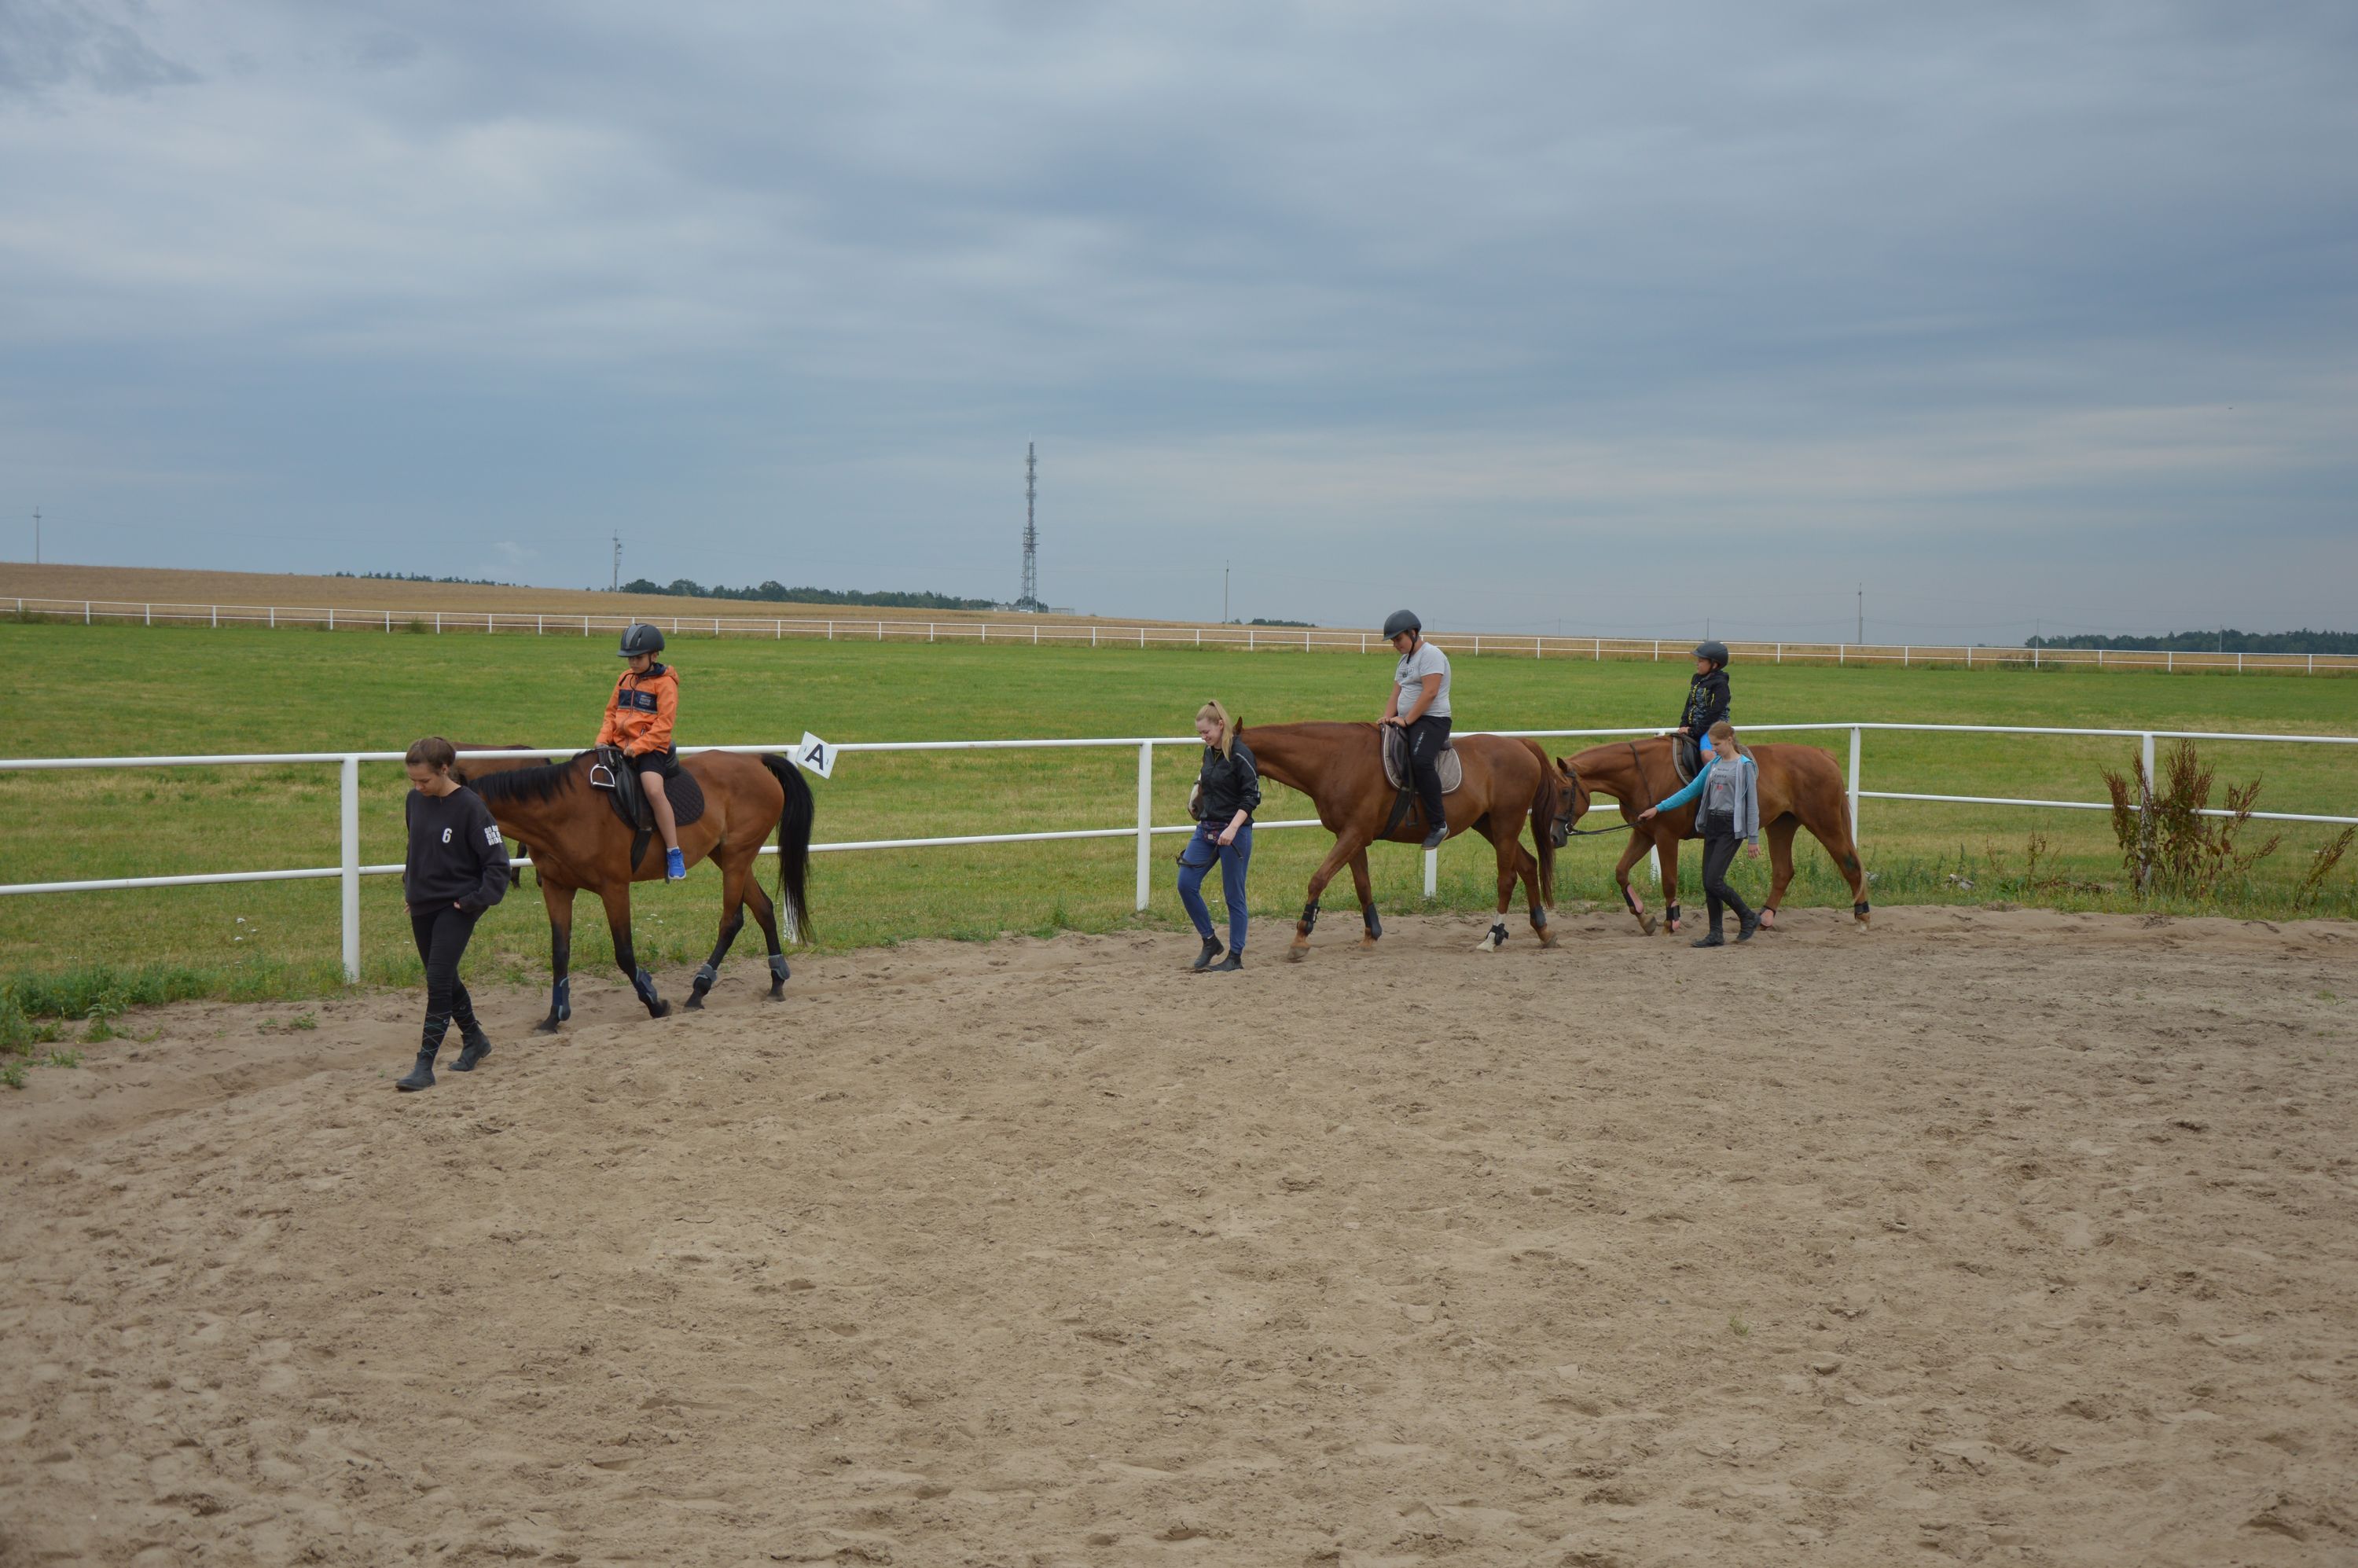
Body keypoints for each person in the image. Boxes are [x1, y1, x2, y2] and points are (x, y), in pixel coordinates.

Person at [395, 736, 510, 1092]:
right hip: (423, 902)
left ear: (444, 769)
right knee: (442, 976)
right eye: (413, 780)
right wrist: (412, 888)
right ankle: (475, 1039)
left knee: (437, 979)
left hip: (458, 905)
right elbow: (417, 848)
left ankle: (424, 1065)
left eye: (424, 780)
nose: (418, 787)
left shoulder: (471, 808)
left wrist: (474, 900)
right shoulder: (415, 801)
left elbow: (498, 865)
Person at [1638, 720, 1760, 948]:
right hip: (1712, 824)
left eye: (1717, 744)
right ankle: (1716, 933)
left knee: (1714, 881)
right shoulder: (1713, 764)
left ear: (1730, 740)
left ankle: (1748, 916)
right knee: (1708, 882)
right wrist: (1658, 808)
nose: (1714, 749)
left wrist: (1753, 839)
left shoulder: (1745, 766)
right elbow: (1690, 790)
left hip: (1730, 828)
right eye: (1712, 744)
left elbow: (1752, 805)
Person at [600, 623, 687, 879]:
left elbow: (664, 726)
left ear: (654, 656)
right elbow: (611, 713)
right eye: (630, 658)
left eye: (638, 657)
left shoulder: (666, 684)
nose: (633, 662)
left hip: (651, 749)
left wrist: (637, 747)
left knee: (653, 790)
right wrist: (602, 740)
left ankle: (673, 852)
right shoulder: (624, 678)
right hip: (618, 746)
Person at [1179, 700, 1258, 973]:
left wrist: (1233, 828)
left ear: (1221, 725)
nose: (1203, 737)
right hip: (1206, 829)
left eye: (1206, 732)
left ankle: (1235, 956)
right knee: (1186, 883)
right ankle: (1210, 941)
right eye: (1200, 733)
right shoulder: (1209, 752)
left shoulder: (1241, 754)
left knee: (1234, 895)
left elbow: (1252, 797)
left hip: (1234, 833)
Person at [1380, 609, 1453, 850]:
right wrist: (1387, 717)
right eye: (1393, 641)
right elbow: (1396, 693)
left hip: (1432, 720)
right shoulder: (1404, 661)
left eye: (1398, 639)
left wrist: (1407, 720)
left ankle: (1438, 824)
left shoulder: (1431, 655)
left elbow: (1430, 692)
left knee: (1420, 761)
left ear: (1413, 633)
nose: (1395, 645)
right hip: (1406, 719)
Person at [1675, 640, 1733, 763]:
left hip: (1714, 729)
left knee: (1707, 756)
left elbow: (1714, 713)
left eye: (1701, 661)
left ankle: (1720, 774)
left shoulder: (1720, 684)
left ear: (1714, 665)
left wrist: (1694, 732)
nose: (1697, 663)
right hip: (1696, 727)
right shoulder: (1697, 678)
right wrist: (1684, 725)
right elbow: (1690, 703)